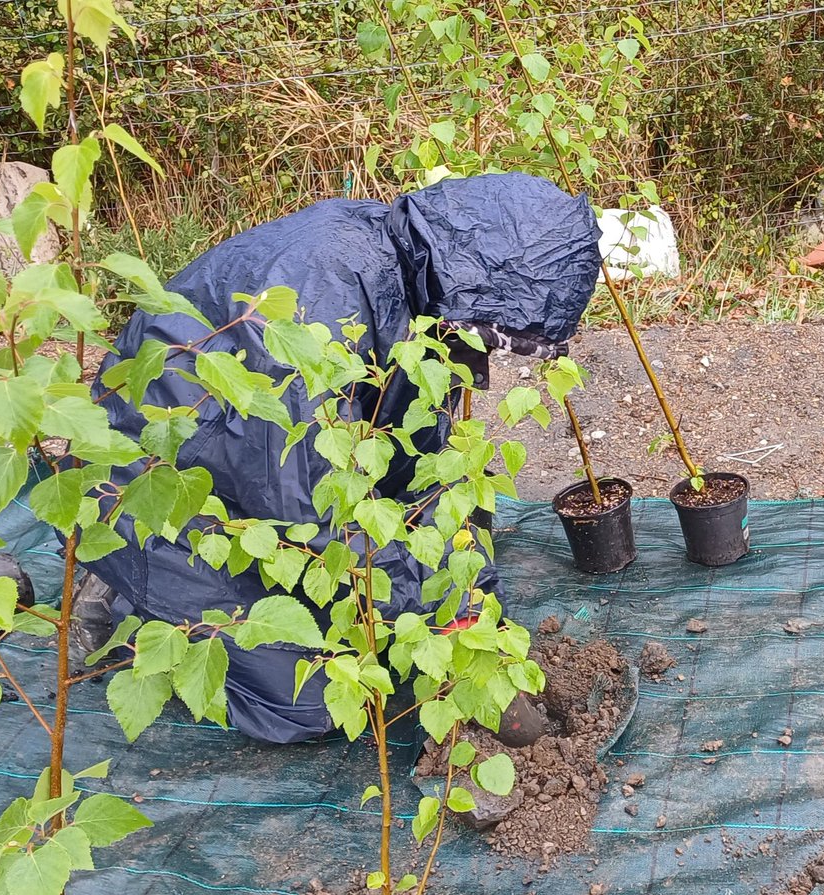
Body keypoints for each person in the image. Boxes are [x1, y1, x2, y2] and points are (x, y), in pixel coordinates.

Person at [81, 172, 603, 743]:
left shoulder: (416, 277)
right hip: (155, 487)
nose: (495, 351)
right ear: (478, 284)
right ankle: (133, 603)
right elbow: (308, 501)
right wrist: (437, 620)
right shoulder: (321, 301)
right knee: (314, 697)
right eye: (501, 334)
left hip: (250, 470)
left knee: (384, 604)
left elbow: (423, 464)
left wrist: (468, 589)